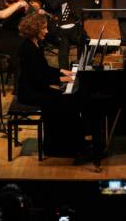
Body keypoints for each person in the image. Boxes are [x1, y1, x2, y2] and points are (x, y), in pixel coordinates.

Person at [17, 12, 102, 160]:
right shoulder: (28, 49)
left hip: (37, 88)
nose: (46, 31)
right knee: (66, 102)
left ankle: (74, 141)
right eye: (44, 28)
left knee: (67, 101)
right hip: (29, 92)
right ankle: (65, 146)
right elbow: (39, 77)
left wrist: (62, 71)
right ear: (35, 29)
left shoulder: (35, 44)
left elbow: (43, 69)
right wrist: (63, 79)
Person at [42, 0, 87, 70]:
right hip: (57, 29)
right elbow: (52, 5)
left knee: (85, 39)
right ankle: (64, 75)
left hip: (73, 27)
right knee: (64, 46)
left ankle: (82, 68)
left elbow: (84, 7)